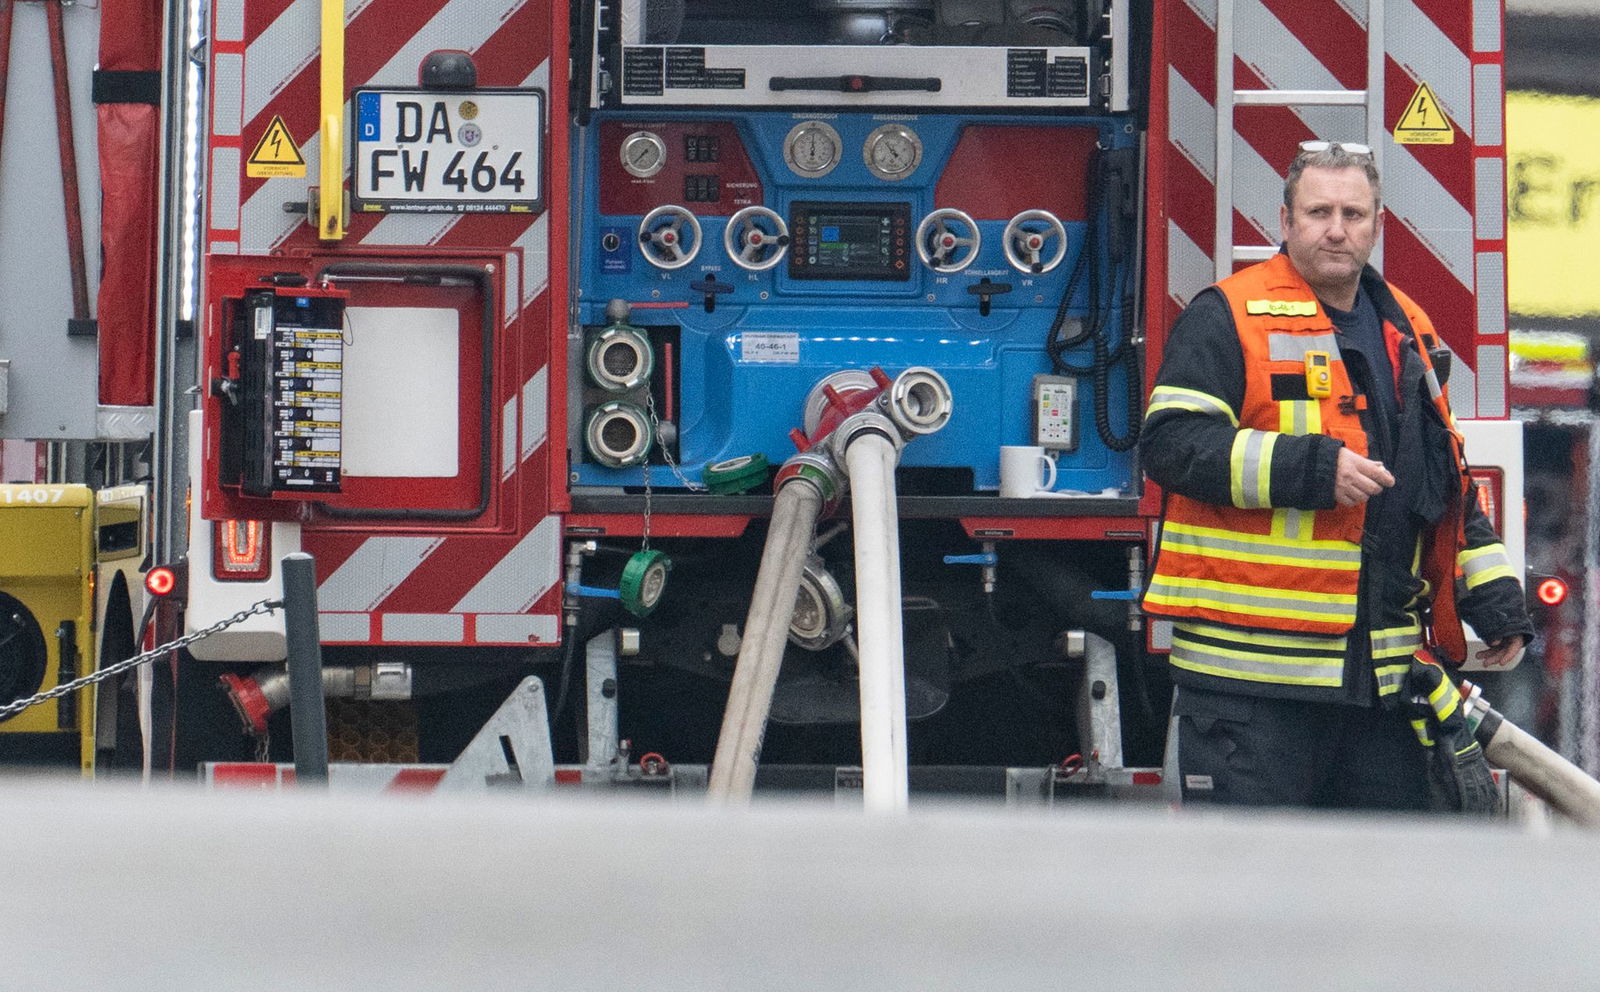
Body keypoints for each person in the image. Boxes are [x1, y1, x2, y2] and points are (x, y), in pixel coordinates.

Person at [1139, 141, 1533, 810]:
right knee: (1255, 874)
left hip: (1380, 683)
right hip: (1253, 685)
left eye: (1353, 214)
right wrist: (1312, 469)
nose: (1335, 229)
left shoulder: (1408, 326)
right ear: (1285, 221)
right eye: (1318, 212)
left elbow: (1444, 482)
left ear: (1378, 224)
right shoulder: (1227, 315)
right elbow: (1171, 444)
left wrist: (1494, 600)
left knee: (1382, 874)